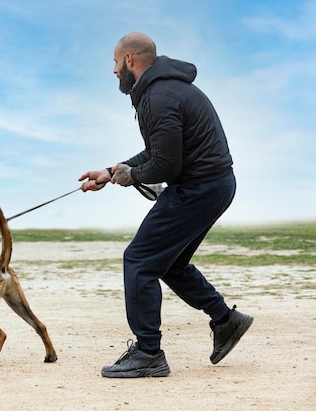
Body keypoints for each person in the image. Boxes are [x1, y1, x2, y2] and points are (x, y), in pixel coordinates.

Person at [79, 32, 253, 378]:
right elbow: (159, 153)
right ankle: (226, 319)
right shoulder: (165, 90)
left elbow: (166, 166)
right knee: (169, 263)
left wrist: (129, 177)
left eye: (115, 63)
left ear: (130, 59)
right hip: (213, 185)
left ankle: (148, 352)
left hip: (199, 187)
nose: (113, 71)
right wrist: (112, 171)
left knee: (139, 260)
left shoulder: (158, 96)